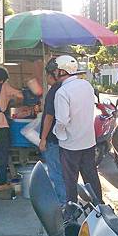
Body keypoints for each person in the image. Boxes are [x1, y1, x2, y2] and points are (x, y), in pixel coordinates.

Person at [52, 55, 103, 207]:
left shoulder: (62, 92)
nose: (54, 73)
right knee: (91, 177)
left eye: (56, 70)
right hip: (88, 141)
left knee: (70, 181)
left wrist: (58, 133)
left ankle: (72, 210)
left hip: (70, 145)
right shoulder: (86, 85)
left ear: (62, 71)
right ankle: (99, 206)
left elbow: (62, 120)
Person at [39, 58, 67, 205]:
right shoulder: (65, 89)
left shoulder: (54, 91)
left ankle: (63, 203)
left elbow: (49, 117)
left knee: (56, 172)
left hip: (53, 140)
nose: (47, 79)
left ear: (53, 74)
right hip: (64, 139)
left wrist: (43, 139)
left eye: (47, 76)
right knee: (63, 172)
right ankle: (67, 200)